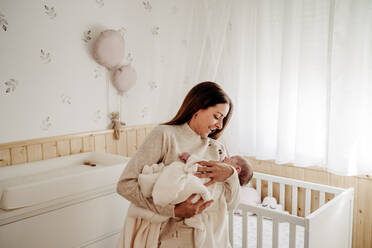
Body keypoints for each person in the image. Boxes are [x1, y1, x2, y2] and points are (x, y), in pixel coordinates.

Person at [116, 81, 240, 248]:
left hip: (212, 237)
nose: (220, 125)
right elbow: (125, 185)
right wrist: (173, 211)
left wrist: (231, 175)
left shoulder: (217, 148)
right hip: (173, 236)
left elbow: (230, 206)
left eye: (223, 119)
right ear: (198, 108)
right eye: (217, 116)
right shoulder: (165, 135)